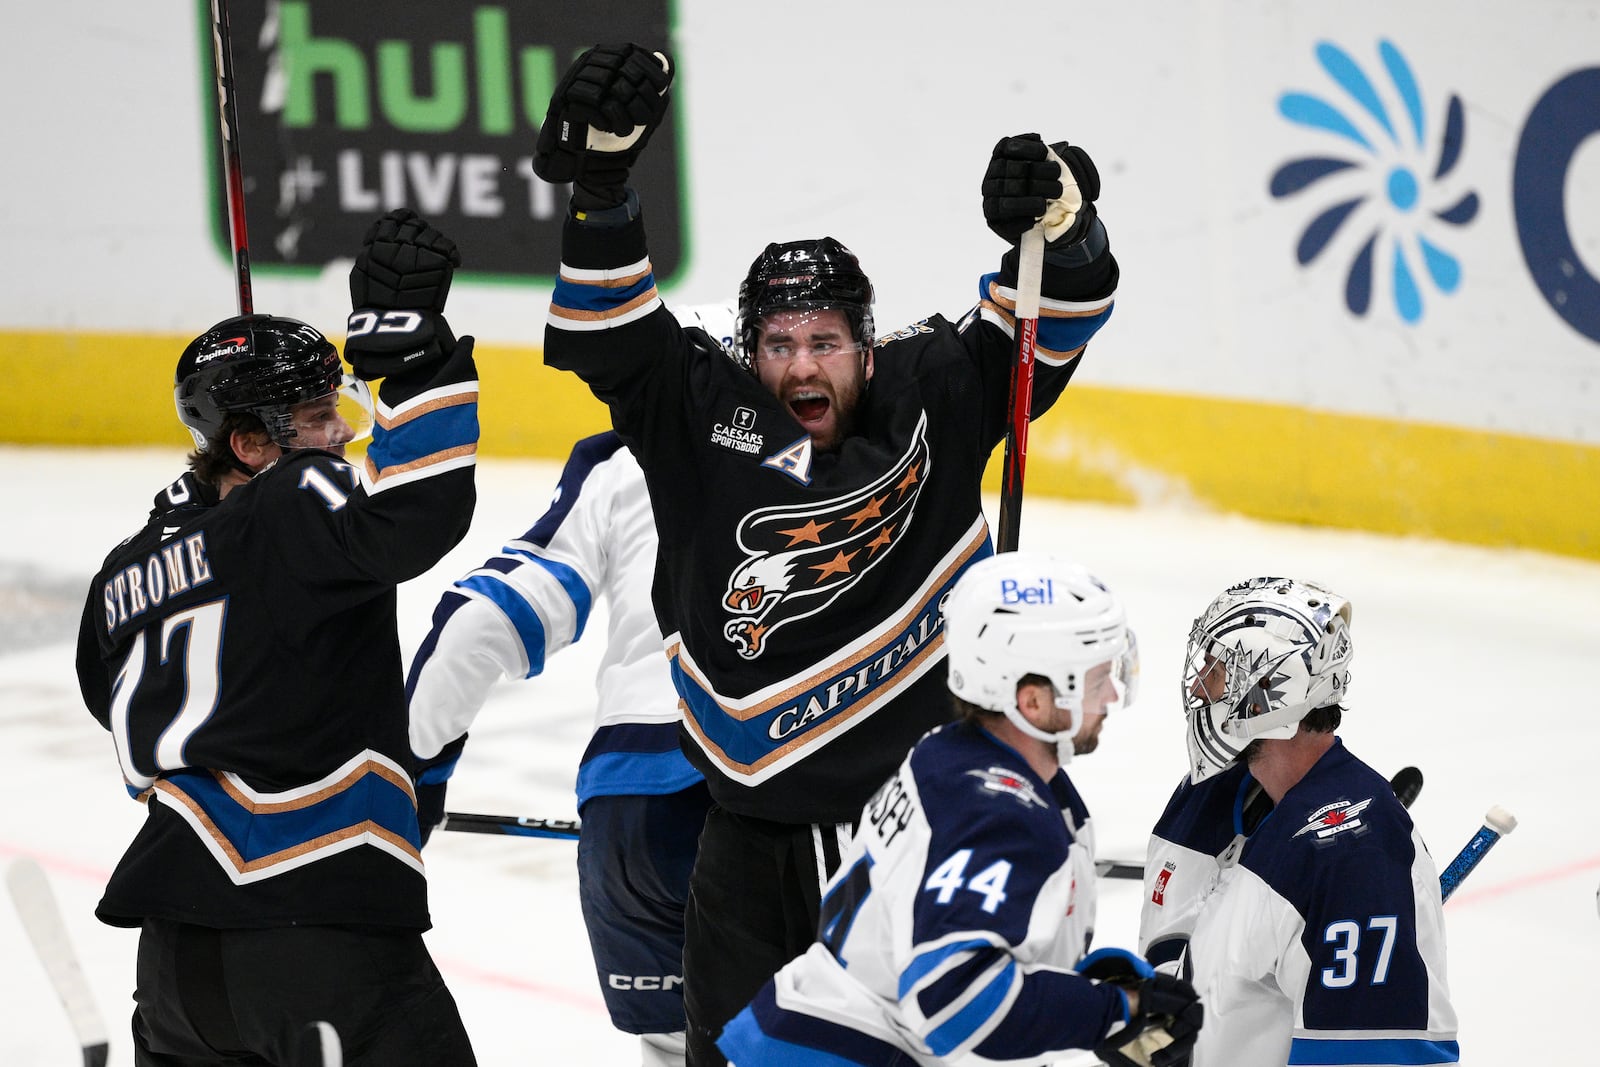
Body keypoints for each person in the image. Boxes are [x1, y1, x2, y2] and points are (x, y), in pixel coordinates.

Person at [531, 44, 1120, 1064]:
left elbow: (1056, 318)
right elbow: (611, 322)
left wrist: (1067, 228)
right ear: (749, 350)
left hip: (909, 824)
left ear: (865, 344)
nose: (801, 366)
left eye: (825, 343)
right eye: (779, 344)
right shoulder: (696, 413)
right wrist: (601, 188)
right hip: (746, 836)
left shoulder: (934, 387)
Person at [74, 209, 481, 1065]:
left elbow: (116, 694)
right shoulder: (293, 502)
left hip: (175, 971)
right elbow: (414, 520)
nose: (338, 434)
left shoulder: (121, 574)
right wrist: (410, 362)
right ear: (252, 444)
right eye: (313, 417)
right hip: (317, 940)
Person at [406, 304, 737, 1067]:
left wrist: (412, 774)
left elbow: (480, 620)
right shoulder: (827, 460)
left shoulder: (616, 465)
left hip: (631, 818)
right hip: (772, 799)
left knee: (680, 1046)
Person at [714, 551, 1202, 1067]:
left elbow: (938, 934)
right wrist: (1114, 1009)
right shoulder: (1002, 815)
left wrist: (1076, 991)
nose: (1110, 697)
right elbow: (952, 1002)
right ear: (1032, 702)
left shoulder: (949, 753)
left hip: (805, 1033)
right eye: (1097, 677)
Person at [1138, 576, 1459, 1067]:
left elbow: (1377, 1056)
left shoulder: (1353, 857)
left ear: (1271, 691)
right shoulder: (1211, 792)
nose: (1202, 683)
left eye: (1222, 668)